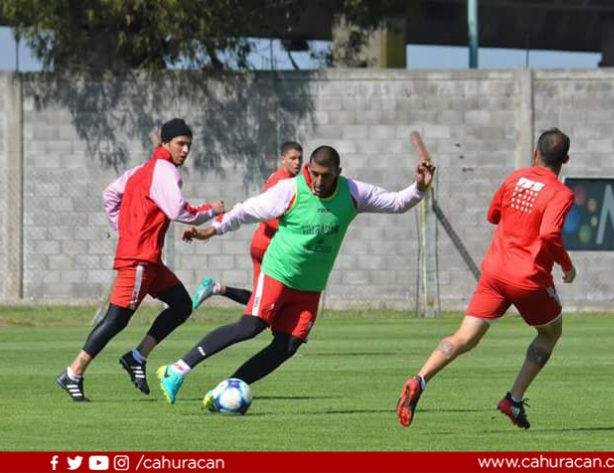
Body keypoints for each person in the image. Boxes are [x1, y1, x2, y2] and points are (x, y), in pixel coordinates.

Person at [156, 144, 436, 404]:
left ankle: (228, 389)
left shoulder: (353, 193)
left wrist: (418, 189)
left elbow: (397, 202)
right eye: (313, 173)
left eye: (324, 176)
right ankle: (177, 369)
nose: (317, 181)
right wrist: (210, 230)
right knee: (250, 327)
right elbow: (245, 211)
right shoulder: (290, 190)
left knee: (287, 345)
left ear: (338, 172)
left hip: (310, 287)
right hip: (278, 273)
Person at [396, 128, 576, 429]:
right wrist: (567, 266)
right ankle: (514, 399)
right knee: (550, 333)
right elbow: (548, 234)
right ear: (565, 160)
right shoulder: (560, 193)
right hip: (527, 278)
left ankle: (420, 378)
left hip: (494, 272)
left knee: (464, 337)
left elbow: (493, 216)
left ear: (535, 153)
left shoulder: (514, 178)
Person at [56, 118, 224, 402]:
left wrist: (123, 227)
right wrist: (211, 210)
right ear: (165, 143)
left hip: (148, 259)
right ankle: (73, 372)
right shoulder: (165, 170)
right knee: (117, 319)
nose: (185, 150)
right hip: (138, 259)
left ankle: (137, 356)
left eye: (188, 145)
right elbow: (176, 209)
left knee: (182, 304)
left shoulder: (140, 170)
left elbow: (110, 194)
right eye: (180, 144)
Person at [191, 141, 303, 309]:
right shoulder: (283, 182)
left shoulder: (282, 178)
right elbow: (270, 217)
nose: (297, 162)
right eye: (292, 158)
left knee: (259, 298)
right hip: (269, 246)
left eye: (299, 159)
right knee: (271, 299)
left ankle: (216, 288)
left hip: (262, 243)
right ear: (283, 159)